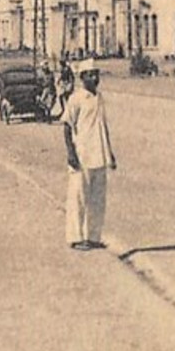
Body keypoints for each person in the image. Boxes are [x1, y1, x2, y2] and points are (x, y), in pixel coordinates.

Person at [61, 59, 116, 251]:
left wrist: (110, 153)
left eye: (97, 74)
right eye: (91, 75)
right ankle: (75, 238)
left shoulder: (99, 97)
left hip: (99, 155)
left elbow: (102, 127)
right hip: (82, 155)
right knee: (78, 198)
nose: (95, 78)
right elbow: (67, 127)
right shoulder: (76, 98)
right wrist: (71, 153)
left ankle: (93, 236)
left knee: (98, 199)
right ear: (82, 78)